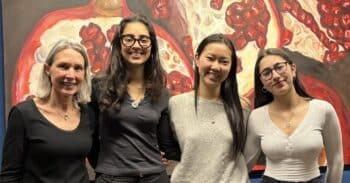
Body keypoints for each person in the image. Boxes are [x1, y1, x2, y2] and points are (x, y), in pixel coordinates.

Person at [90, 15, 177, 183]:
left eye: (144, 40)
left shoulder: (162, 93)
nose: (136, 45)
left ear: (152, 46)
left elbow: (165, 144)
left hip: (155, 176)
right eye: (129, 39)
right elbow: (90, 137)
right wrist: (107, 168)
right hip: (112, 178)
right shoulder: (99, 86)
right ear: (119, 44)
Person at [0, 40, 98, 182]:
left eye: (78, 68)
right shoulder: (23, 114)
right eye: (63, 67)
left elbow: (98, 161)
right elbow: (9, 176)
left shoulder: (88, 114)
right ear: (47, 69)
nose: (71, 75)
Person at [244, 48, 344, 183]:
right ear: (262, 82)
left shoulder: (323, 110)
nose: (275, 76)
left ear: (293, 69)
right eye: (267, 73)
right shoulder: (256, 117)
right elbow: (244, 166)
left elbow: (336, 160)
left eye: (279, 67)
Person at [167, 33, 249, 183]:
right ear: (197, 59)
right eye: (210, 58)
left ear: (231, 68)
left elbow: (247, 154)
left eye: (224, 62)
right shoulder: (176, 104)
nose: (216, 66)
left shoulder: (241, 108)